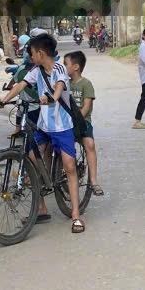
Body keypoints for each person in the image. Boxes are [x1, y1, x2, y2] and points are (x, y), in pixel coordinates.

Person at [0, 34, 85, 233]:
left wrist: (52, 97)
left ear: (40, 53)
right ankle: (41, 208)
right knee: (31, 158)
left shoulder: (60, 68)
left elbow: (59, 86)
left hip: (62, 126)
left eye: (31, 53)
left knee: (69, 167)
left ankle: (76, 215)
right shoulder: (36, 71)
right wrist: (4, 99)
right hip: (44, 125)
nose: (30, 57)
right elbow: (21, 85)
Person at [64, 50, 102, 196]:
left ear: (76, 67)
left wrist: (76, 120)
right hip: (65, 123)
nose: (63, 67)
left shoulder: (86, 84)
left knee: (90, 144)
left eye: (66, 64)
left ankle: (94, 181)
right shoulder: (64, 84)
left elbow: (86, 106)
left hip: (82, 121)